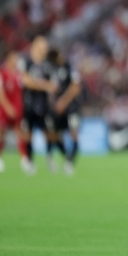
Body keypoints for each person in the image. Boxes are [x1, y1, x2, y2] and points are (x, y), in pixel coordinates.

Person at [18, 36, 58, 174]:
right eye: (42, 46)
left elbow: (53, 86)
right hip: (29, 104)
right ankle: (29, 161)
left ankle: (49, 157)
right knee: (28, 134)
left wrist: (40, 85)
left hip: (44, 105)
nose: (45, 49)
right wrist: (43, 85)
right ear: (35, 46)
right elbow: (26, 81)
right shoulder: (27, 62)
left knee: (49, 133)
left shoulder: (48, 65)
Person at [0, 52, 32, 173]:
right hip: (5, 110)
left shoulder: (19, 74)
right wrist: (8, 108)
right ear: (8, 60)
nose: (16, 62)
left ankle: (25, 160)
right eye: (14, 59)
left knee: (20, 133)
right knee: (1, 132)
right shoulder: (1, 74)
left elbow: (28, 84)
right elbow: (0, 93)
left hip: (18, 110)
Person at [47, 48, 82, 176]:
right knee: (55, 134)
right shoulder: (55, 70)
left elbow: (75, 88)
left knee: (74, 133)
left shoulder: (70, 68)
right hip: (58, 108)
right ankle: (67, 157)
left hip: (71, 108)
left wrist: (63, 101)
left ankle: (70, 162)